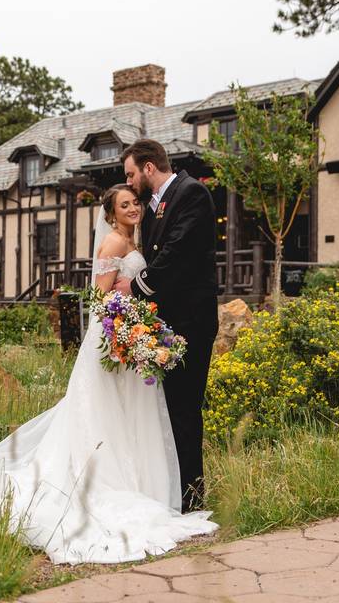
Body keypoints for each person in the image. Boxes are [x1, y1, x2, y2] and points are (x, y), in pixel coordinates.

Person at [0, 183, 217, 565]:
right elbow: (100, 299)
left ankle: (142, 484)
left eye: (135, 202)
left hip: (132, 339)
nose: (134, 208)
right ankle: (102, 482)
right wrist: (126, 326)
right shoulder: (111, 243)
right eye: (125, 204)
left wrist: (140, 326)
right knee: (103, 416)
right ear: (111, 214)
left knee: (131, 417)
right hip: (112, 340)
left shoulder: (136, 239)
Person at [113, 138, 219, 512]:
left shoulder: (192, 193)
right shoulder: (156, 207)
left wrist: (135, 286)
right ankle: (173, 493)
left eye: (130, 173)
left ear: (148, 167)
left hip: (192, 321)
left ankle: (192, 500)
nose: (129, 182)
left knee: (185, 409)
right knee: (168, 411)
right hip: (166, 325)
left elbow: (177, 254)